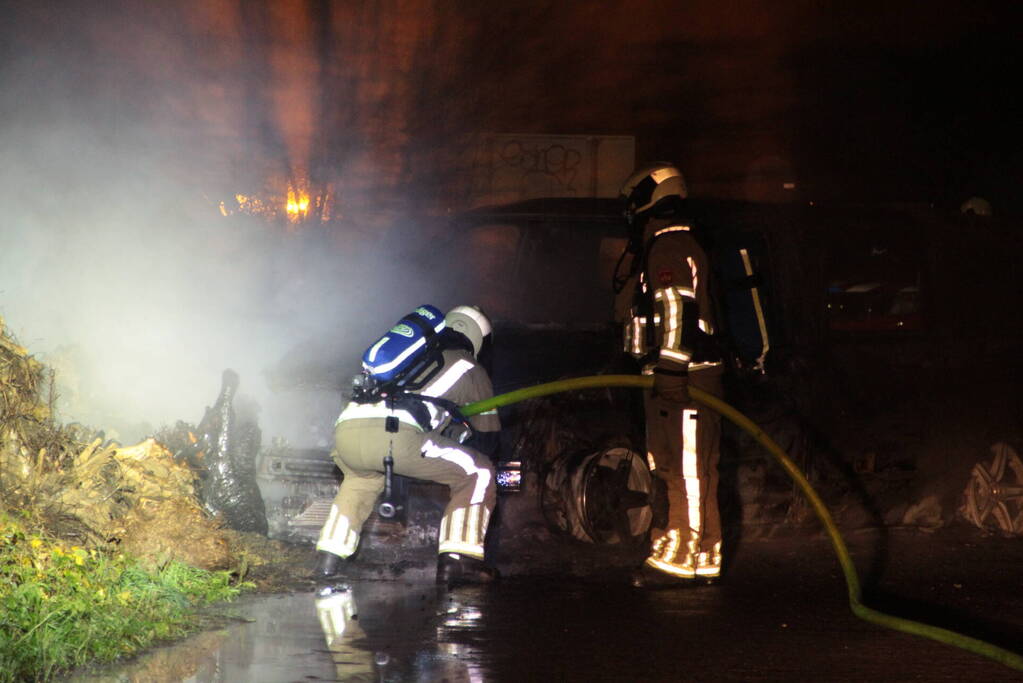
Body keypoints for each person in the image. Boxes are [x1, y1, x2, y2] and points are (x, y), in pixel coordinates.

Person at [314, 305, 501, 586]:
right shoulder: (467, 365)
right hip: (396, 437)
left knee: (360, 482)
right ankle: (459, 561)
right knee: (479, 472)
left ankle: (328, 558)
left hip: (346, 433)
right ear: (477, 338)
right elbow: (488, 439)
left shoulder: (412, 358)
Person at [614, 162, 726, 586]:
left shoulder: (669, 246)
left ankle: (682, 558)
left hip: (685, 379)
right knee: (679, 466)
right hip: (675, 376)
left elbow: (677, 308)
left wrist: (672, 370)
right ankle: (701, 553)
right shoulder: (668, 243)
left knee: (686, 468)